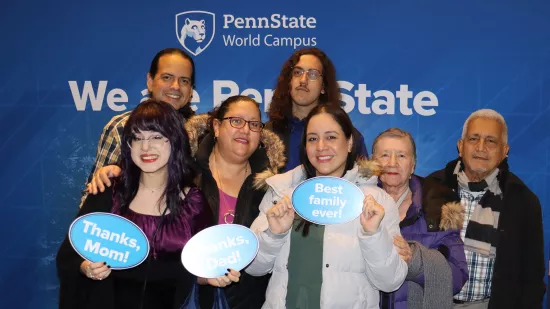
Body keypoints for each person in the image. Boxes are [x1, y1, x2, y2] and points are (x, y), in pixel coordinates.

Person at [86, 95, 286, 308]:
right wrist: (116, 169)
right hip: (186, 298)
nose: (245, 129)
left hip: (248, 300)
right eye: (236, 121)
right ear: (216, 127)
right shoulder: (183, 173)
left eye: (254, 124)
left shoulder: (273, 186)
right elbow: (142, 171)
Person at [56, 100, 240, 309]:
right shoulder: (109, 191)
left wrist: (209, 278)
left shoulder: (194, 202)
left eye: (156, 137)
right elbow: (69, 256)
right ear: (128, 144)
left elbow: (200, 269)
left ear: (175, 142)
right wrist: (85, 268)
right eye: (137, 138)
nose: (145, 147)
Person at [246, 103, 407, 308]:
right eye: (312, 139)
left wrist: (372, 235)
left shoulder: (377, 202)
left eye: (331, 137)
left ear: (349, 143)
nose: (321, 146)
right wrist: (274, 235)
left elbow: (391, 281)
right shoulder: (281, 192)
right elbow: (253, 267)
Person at [427, 109, 545, 309]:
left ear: (505, 150)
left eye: (491, 141)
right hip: (433, 303)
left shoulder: (523, 200)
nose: (481, 147)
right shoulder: (431, 188)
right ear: (461, 146)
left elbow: (532, 276)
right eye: (474, 139)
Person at [80, 48, 197, 206]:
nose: (175, 86)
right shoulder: (122, 126)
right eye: (167, 77)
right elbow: (96, 193)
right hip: (129, 226)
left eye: (184, 80)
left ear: (190, 90)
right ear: (150, 81)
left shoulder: (200, 131)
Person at [371, 128, 468, 309]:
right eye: (384, 155)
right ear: (373, 162)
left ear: (413, 165)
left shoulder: (440, 207)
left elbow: (458, 276)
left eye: (401, 156)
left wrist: (417, 261)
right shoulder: (356, 203)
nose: (392, 163)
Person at [266, 47, 368, 172]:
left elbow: (364, 182)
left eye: (312, 74)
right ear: (289, 82)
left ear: (323, 87)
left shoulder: (348, 136)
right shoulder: (266, 135)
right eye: (298, 72)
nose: (303, 80)